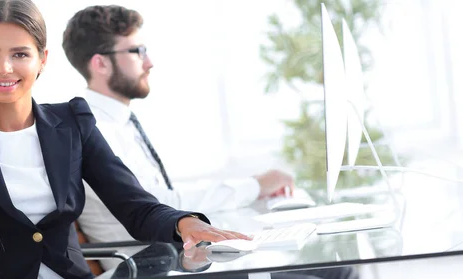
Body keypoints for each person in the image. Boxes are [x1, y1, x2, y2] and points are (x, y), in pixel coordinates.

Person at [0, 1, 251, 279]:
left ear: (42, 60)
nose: (4, 68)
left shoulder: (72, 124)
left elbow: (134, 206)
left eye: (19, 54)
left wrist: (187, 223)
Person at [62, 5, 359, 279]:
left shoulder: (121, 122)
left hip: (183, 256)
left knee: (337, 266)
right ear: (100, 63)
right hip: (157, 266)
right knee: (337, 272)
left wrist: (256, 192)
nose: (150, 62)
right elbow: (159, 206)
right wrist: (255, 186)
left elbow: (166, 197)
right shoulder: (95, 129)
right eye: (137, 51)